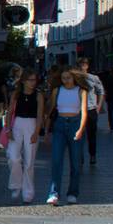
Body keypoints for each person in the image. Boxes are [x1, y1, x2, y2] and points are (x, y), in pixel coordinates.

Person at [46, 68, 89, 206]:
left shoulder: (81, 91)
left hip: (75, 125)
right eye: (64, 78)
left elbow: (84, 112)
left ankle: (72, 193)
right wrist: (46, 129)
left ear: (74, 78)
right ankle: (54, 194)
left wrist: (81, 129)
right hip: (59, 125)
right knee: (56, 161)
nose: (66, 80)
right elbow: (51, 110)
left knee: (75, 163)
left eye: (69, 78)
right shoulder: (57, 91)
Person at [4, 69, 44, 205]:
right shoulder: (16, 94)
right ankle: (16, 185)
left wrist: (36, 132)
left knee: (29, 161)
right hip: (17, 124)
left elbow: (40, 115)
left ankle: (28, 192)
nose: (33, 83)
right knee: (13, 157)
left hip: (32, 124)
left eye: (34, 80)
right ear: (24, 81)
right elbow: (9, 112)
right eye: (30, 80)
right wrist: (8, 128)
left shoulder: (38, 95)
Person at [77, 58, 104, 165]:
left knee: (91, 134)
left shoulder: (93, 78)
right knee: (79, 135)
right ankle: (80, 156)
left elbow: (101, 91)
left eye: (84, 64)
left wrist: (98, 106)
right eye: (80, 64)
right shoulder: (75, 78)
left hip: (91, 109)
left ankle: (92, 155)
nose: (82, 66)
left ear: (87, 66)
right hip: (78, 111)